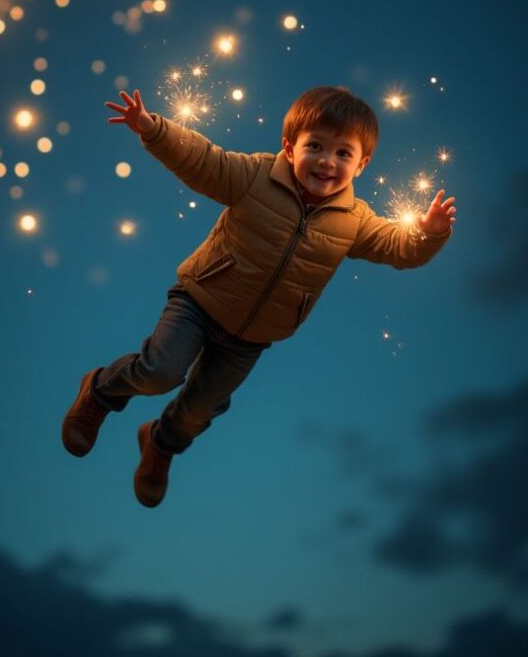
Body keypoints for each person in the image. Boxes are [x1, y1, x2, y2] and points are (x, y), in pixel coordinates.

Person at [62, 85, 455, 508]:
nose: (327, 161)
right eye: (316, 146)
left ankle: (159, 443)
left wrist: (430, 234)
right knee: (161, 371)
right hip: (199, 301)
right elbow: (201, 160)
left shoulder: (355, 222)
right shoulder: (254, 176)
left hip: (250, 338)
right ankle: (101, 391)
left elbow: (399, 247)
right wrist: (153, 128)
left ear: (362, 164)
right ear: (289, 148)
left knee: (199, 411)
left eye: (343, 153)